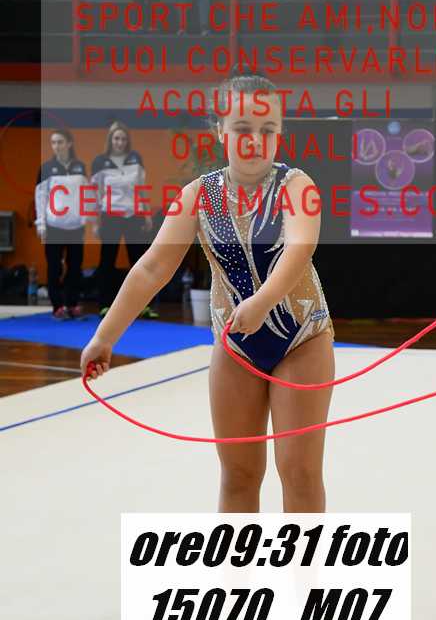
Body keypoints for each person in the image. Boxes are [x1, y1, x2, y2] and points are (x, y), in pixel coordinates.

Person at [80, 65, 336, 513]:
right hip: (236, 345)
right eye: (242, 128)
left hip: (301, 339)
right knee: (238, 475)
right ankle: (237, 561)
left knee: (299, 471)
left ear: (280, 133)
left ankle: (304, 561)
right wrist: (104, 337)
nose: (255, 140)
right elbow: (152, 268)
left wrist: (262, 302)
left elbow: (300, 248)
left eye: (267, 129)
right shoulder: (198, 196)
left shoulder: (297, 186)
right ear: (220, 130)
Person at [90, 121, 159, 319]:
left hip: (133, 216)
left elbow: (141, 189)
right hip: (110, 216)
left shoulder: (136, 159)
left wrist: (146, 214)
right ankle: (105, 304)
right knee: (107, 261)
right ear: (110, 140)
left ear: (127, 141)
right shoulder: (100, 162)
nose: (119, 142)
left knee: (139, 262)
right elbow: (96, 194)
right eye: (116, 138)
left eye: (123, 139)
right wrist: (95, 221)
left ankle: (144, 306)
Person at [35, 129, 88, 320]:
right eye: (53, 143)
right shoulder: (46, 168)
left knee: (75, 267)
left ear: (69, 144)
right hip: (53, 226)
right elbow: (40, 196)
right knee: (54, 267)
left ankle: (72, 303)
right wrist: (41, 223)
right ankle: (57, 306)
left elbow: (86, 192)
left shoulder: (80, 167)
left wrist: (85, 217)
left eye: (60, 142)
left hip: (76, 227)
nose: (56, 146)